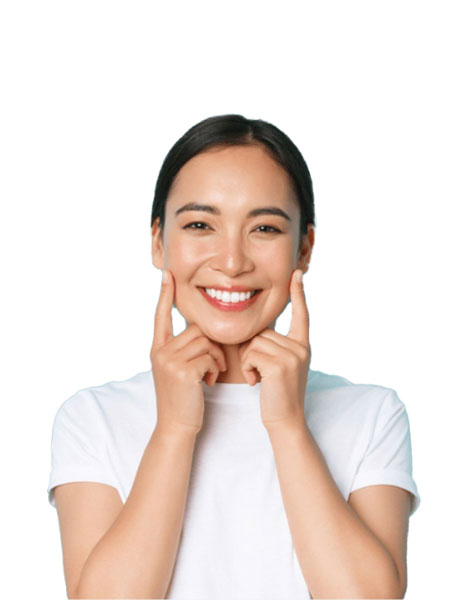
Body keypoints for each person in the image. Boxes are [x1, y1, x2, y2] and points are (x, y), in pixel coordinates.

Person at [47, 114, 420, 599]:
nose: (231, 261)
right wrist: (174, 430)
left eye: (264, 228)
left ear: (303, 248)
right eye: (200, 224)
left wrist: (287, 424)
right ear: (159, 241)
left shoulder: (372, 413)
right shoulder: (91, 417)